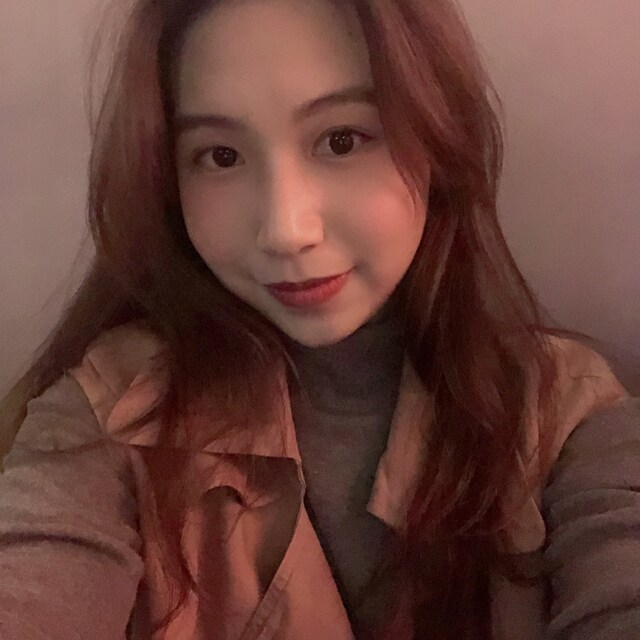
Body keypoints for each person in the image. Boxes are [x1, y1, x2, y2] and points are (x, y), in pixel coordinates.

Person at [0, 0, 638, 638]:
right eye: (220, 155)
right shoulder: (108, 410)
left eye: (342, 140)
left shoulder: (569, 418)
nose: (285, 230)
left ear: (439, 140)